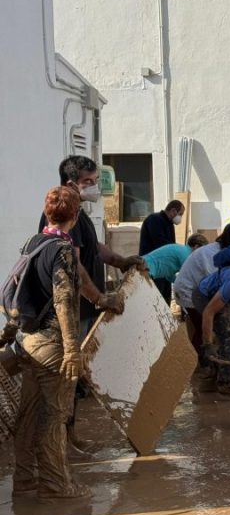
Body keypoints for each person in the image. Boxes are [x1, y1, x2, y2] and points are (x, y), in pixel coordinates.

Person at [39, 156, 142, 451]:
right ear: (71, 183)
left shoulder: (78, 214)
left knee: (73, 377)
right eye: (88, 182)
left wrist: (120, 261)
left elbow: (93, 246)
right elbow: (73, 264)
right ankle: (62, 440)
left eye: (96, 181)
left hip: (81, 309)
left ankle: (65, 437)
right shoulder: (63, 214)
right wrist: (99, 298)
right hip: (72, 311)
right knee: (68, 377)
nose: (95, 187)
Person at [14, 186, 89, 499]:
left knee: (29, 413)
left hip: (27, 341)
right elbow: (63, 297)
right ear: (75, 215)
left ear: (47, 213)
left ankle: (24, 480)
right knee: (55, 416)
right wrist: (72, 350)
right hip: (51, 345)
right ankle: (56, 485)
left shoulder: (33, 243)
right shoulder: (62, 249)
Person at [174, 225, 230, 355]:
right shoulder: (213, 253)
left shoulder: (225, 253)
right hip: (189, 291)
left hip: (201, 288)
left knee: (211, 326)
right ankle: (200, 362)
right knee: (205, 328)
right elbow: (219, 285)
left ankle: (203, 359)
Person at [196, 236, 230, 395]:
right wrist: (207, 345)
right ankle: (224, 383)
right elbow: (208, 312)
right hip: (204, 296)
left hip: (219, 295)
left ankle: (212, 375)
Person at [139, 200, 185, 303]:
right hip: (152, 268)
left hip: (164, 270)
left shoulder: (169, 224)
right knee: (154, 300)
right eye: (180, 214)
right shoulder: (154, 220)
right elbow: (162, 245)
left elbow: (171, 245)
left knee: (165, 300)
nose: (180, 218)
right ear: (173, 211)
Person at [141, 234, 207, 300]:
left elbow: (169, 275)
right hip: (146, 269)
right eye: (202, 250)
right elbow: (190, 276)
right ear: (196, 246)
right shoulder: (186, 254)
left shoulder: (181, 249)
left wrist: (177, 282)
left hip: (144, 267)